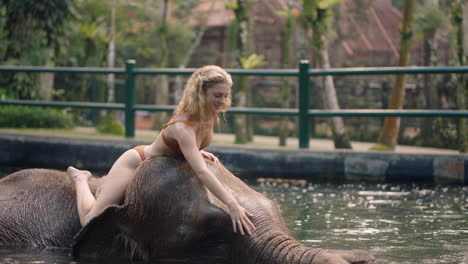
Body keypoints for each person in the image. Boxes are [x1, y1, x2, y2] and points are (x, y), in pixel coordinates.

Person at [67, 65, 255, 236]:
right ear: (201, 93)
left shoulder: (210, 114)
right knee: (90, 221)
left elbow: (189, 145)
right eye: (217, 95)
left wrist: (195, 152)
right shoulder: (183, 126)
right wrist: (231, 204)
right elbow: (201, 172)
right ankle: (81, 179)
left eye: (225, 95)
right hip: (136, 162)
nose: (222, 101)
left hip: (162, 166)